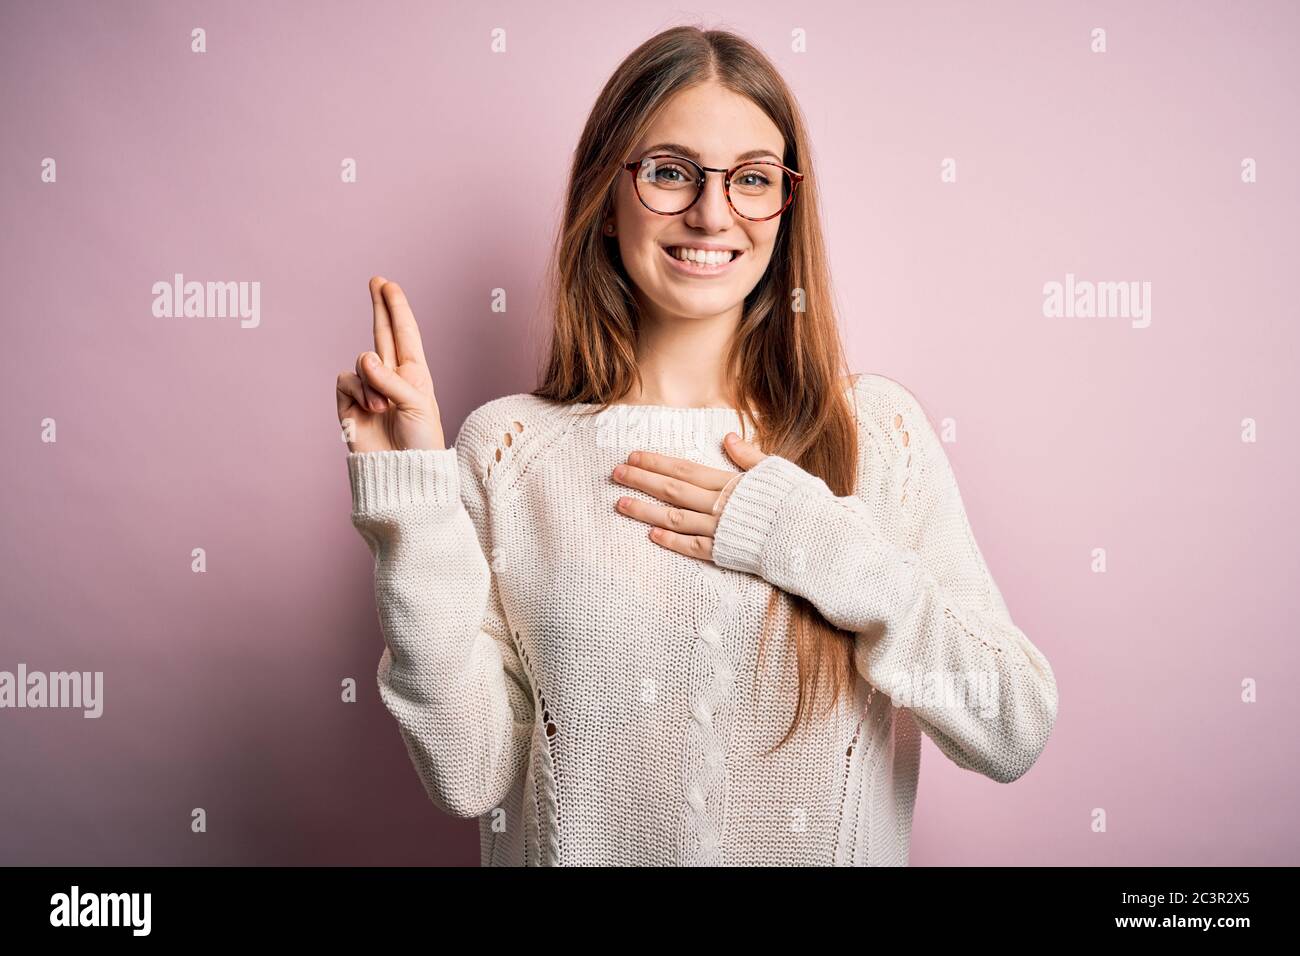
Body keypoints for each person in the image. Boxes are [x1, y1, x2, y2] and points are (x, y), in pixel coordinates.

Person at [334, 25, 1058, 866]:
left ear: (786, 208)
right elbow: (466, 775)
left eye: (752, 179)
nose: (713, 213)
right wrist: (411, 504)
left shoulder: (876, 434)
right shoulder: (508, 449)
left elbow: (1011, 727)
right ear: (608, 198)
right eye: (671, 172)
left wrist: (813, 540)